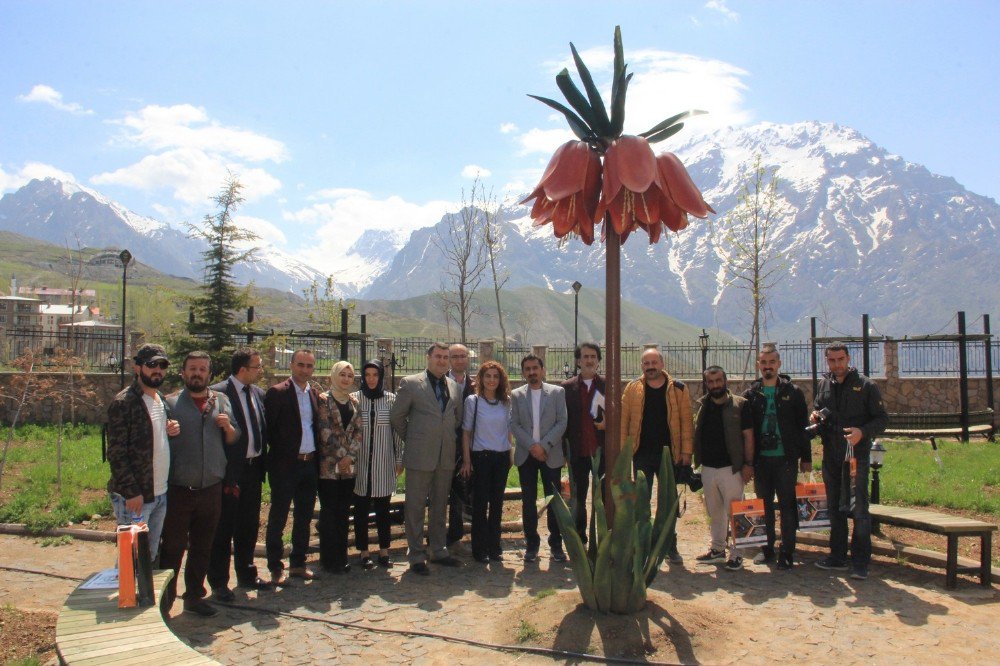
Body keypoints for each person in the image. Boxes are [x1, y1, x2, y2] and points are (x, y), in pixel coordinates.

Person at [160, 351, 240, 617]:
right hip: (179, 489)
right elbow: (157, 444)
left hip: (211, 488)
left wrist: (228, 427)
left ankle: (193, 596)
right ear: (183, 373)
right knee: (172, 548)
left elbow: (233, 438)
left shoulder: (221, 401)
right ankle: (165, 601)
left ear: (209, 373)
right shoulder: (169, 403)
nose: (197, 373)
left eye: (202, 369)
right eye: (192, 369)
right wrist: (167, 432)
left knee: (203, 546)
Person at [812, 342, 888, 581]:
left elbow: (882, 419)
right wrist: (814, 416)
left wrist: (862, 432)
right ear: (827, 361)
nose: (837, 365)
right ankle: (837, 556)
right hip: (831, 454)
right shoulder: (824, 384)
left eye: (840, 359)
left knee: (858, 509)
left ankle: (860, 562)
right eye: (832, 360)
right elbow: (817, 409)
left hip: (857, 457)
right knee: (834, 506)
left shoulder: (866, 386)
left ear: (848, 358)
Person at [390, 342, 464, 575]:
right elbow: (397, 417)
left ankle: (438, 550)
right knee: (415, 506)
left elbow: (456, 418)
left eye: (446, 357)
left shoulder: (453, 386)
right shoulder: (411, 384)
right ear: (428, 357)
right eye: (438, 356)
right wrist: (414, 438)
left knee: (440, 505)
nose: (442, 361)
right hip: (419, 456)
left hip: (445, 456)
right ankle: (416, 555)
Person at [106, 343, 179, 564]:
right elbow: (116, 453)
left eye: (162, 365)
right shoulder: (124, 403)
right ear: (138, 368)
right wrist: (131, 492)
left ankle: (141, 597)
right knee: (132, 558)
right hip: (137, 497)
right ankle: (126, 598)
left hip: (159, 494)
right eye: (151, 364)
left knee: (149, 556)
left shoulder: (161, 401)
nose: (158, 369)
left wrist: (171, 430)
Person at [207, 348, 271, 601]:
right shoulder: (218, 392)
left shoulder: (258, 393)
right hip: (229, 471)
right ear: (243, 369)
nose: (260, 370)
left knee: (248, 524)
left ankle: (247, 573)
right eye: (257, 366)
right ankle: (219, 582)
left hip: (254, 469)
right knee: (224, 528)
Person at [620, 347, 693, 565]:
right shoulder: (632, 389)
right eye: (646, 363)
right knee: (641, 501)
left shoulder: (678, 389)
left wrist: (687, 453)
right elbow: (624, 424)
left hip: (669, 455)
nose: (650, 367)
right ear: (641, 366)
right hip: (641, 453)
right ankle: (641, 545)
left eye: (654, 363)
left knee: (669, 502)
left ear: (662, 364)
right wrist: (624, 455)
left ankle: (670, 545)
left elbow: (687, 423)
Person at [743, 344, 811, 571]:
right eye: (764, 363)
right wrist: (747, 462)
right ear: (758, 365)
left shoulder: (794, 393)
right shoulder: (751, 394)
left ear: (779, 364)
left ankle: (788, 551)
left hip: (786, 459)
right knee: (764, 507)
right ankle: (767, 548)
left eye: (771, 362)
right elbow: (746, 430)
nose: (768, 366)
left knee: (787, 506)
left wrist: (806, 458)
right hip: (762, 460)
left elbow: (804, 428)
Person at [264, 349, 322, 585]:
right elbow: (268, 430)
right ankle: (275, 566)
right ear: (291, 365)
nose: (304, 370)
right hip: (285, 466)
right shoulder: (278, 393)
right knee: (278, 516)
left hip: (310, 464)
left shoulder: (315, 395)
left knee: (304, 517)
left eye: (309, 366)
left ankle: (298, 563)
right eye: (300, 364)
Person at [693, 366, 754, 571]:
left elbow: (748, 436)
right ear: (706, 384)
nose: (715, 385)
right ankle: (717, 549)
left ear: (725, 381)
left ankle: (737, 553)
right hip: (708, 468)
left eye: (718, 381)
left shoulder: (740, 405)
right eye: (711, 382)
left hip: (732, 468)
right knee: (715, 512)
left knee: (736, 511)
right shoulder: (704, 405)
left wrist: (748, 464)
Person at [510, 354, 568, 564]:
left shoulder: (556, 392)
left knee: (554, 501)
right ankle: (532, 544)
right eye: (527, 369)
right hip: (527, 455)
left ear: (542, 370)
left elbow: (562, 421)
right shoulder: (516, 395)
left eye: (535, 368)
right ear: (523, 372)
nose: (532, 372)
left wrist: (544, 445)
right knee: (528, 501)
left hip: (550, 454)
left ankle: (556, 544)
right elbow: (514, 424)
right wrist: (532, 446)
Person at [459, 361, 514, 564]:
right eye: (488, 376)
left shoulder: (506, 401)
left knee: (497, 504)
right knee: (480, 505)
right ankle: (479, 548)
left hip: (501, 457)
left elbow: (509, 431)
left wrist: (510, 454)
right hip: (481, 457)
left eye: (495, 376)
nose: (492, 380)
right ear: (481, 379)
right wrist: (467, 460)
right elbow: (466, 433)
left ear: (501, 380)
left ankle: (495, 547)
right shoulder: (473, 401)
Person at [351, 359, 402, 569]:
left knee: (383, 511)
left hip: (383, 463)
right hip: (361, 465)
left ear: (381, 377)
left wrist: (399, 459)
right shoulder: (355, 399)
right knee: (361, 511)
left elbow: (398, 432)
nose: (371, 379)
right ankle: (363, 552)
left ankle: (384, 550)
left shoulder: (390, 400)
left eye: (375, 375)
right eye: (368, 375)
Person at [316, 361, 361, 574]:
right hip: (329, 466)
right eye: (342, 374)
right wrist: (342, 457)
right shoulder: (324, 400)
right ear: (334, 375)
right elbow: (324, 431)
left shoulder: (353, 401)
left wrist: (350, 457)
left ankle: (342, 557)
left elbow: (359, 431)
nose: (345, 379)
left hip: (348, 468)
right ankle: (328, 559)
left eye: (350, 376)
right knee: (329, 513)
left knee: (343, 513)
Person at [561, 342, 606, 544]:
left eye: (593, 356)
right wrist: (564, 452)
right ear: (578, 361)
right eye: (585, 357)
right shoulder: (567, 388)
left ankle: (604, 537)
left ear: (598, 360)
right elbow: (563, 422)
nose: (589, 360)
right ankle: (580, 538)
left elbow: (619, 414)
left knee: (604, 498)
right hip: (578, 452)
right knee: (578, 498)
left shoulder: (608, 385)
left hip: (602, 452)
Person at [446, 343, 477, 553]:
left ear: (468, 359)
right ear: (449, 359)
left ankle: (456, 538)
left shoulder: (475, 385)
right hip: (444, 446)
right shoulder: (439, 383)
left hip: (470, 447)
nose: (459, 360)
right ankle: (438, 540)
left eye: (462, 356)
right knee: (439, 496)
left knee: (463, 494)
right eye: (454, 356)